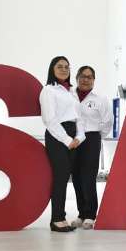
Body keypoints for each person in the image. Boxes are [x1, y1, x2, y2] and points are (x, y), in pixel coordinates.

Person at [39, 56, 85, 232]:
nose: (64, 69)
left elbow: (79, 117)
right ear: (52, 69)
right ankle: (57, 219)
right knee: (60, 177)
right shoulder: (48, 90)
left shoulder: (71, 91)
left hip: (74, 134)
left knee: (66, 178)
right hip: (57, 135)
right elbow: (49, 120)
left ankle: (61, 217)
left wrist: (80, 137)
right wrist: (67, 140)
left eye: (67, 67)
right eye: (60, 66)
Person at [70, 66, 113, 230]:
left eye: (89, 77)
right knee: (76, 177)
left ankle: (90, 215)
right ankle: (81, 214)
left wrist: (96, 136)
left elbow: (107, 121)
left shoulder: (100, 99)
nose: (85, 80)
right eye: (82, 76)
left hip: (91, 139)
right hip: (73, 140)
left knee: (88, 178)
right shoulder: (69, 95)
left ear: (94, 80)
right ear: (77, 78)